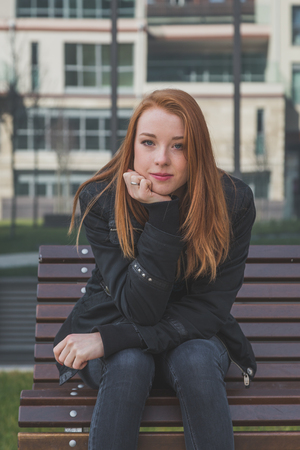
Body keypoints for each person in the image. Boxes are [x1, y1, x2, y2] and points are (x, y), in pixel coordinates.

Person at [53, 88, 256, 450]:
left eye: (179, 146)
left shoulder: (233, 202)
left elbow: (207, 312)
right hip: (118, 325)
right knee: (130, 361)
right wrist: (163, 215)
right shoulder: (102, 201)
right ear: (132, 146)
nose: (161, 159)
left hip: (192, 335)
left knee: (194, 356)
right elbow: (140, 309)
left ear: (198, 152)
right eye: (149, 143)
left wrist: (109, 339)